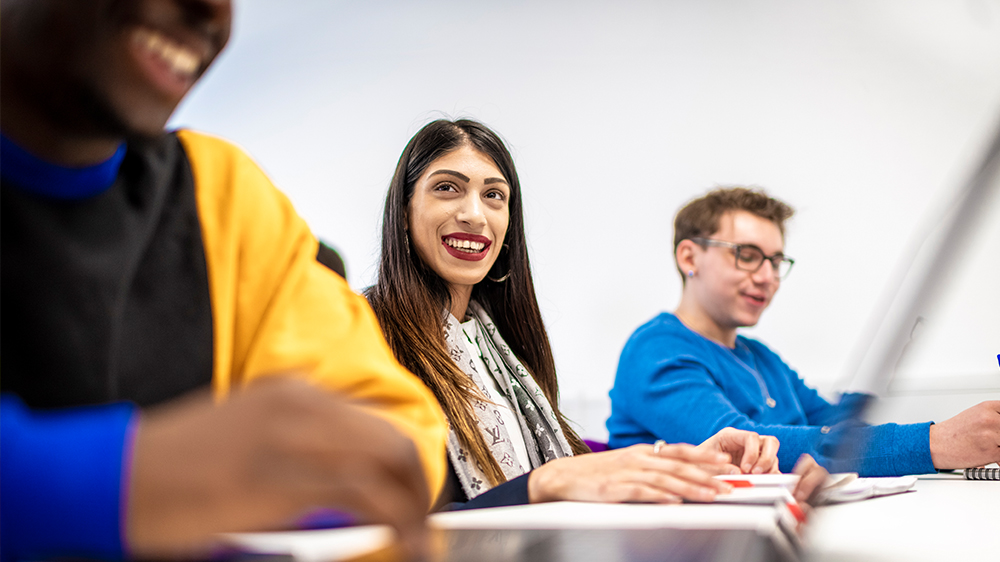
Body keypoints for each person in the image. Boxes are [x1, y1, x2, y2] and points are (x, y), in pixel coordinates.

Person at [0, 0, 447, 560]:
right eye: (446, 188)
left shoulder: (226, 198)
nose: (214, 8)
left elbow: (395, 441)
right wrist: (121, 484)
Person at [366, 120, 828, 510]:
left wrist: (678, 458)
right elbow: (372, 508)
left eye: (494, 196)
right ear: (403, 211)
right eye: (447, 188)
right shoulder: (366, 330)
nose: (474, 214)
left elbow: (549, 460)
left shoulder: (497, 341)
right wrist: (542, 486)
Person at [607, 187, 1000, 476]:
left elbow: (837, 424)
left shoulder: (759, 356)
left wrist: (879, 376)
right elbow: (745, 445)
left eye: (776, 262)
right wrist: (939, 442)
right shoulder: (654, 350)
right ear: (689, 257)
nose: (767, 277)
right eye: (747, 255)